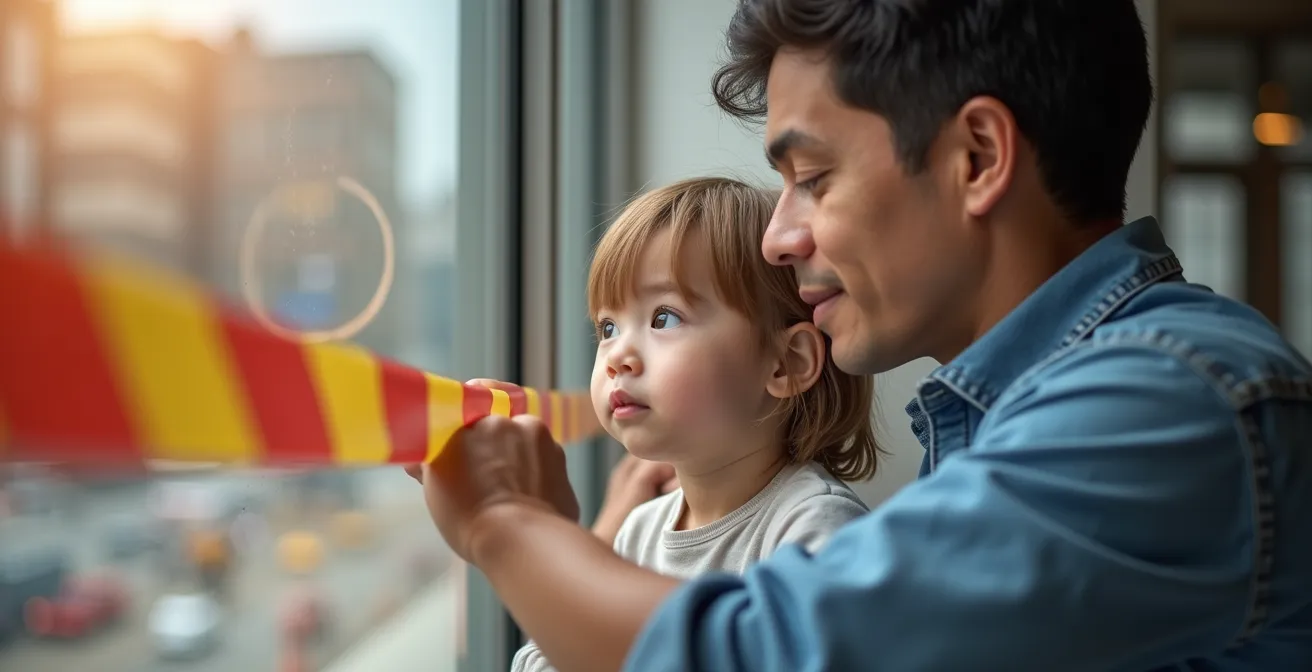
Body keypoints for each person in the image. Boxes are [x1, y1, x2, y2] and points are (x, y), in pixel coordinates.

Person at [407, 1, 1312, 669]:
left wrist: (504, 522)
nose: (779, 236)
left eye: (813, 178)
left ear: (978, 158)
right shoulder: (1021, 415)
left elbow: (767, 654)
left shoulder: (1167, 402)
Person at [508, 176, 880, 672]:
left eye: (664, 318)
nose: (617, 356)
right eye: (608, 327)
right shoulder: (639, 529)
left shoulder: (815, 528)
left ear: (786, 362)